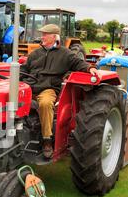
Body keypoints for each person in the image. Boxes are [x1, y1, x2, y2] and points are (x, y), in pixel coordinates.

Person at [20, 24, 98, 159]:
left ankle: (47, 140)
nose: (42, 37)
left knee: (45, 104)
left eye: (45, 34)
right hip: (29, 87)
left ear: (54, 37)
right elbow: (24, 70)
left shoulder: (65, 54)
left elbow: (78, 63)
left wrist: (89, 68)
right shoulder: (35, 54)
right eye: (42, 34)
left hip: (48, 89)